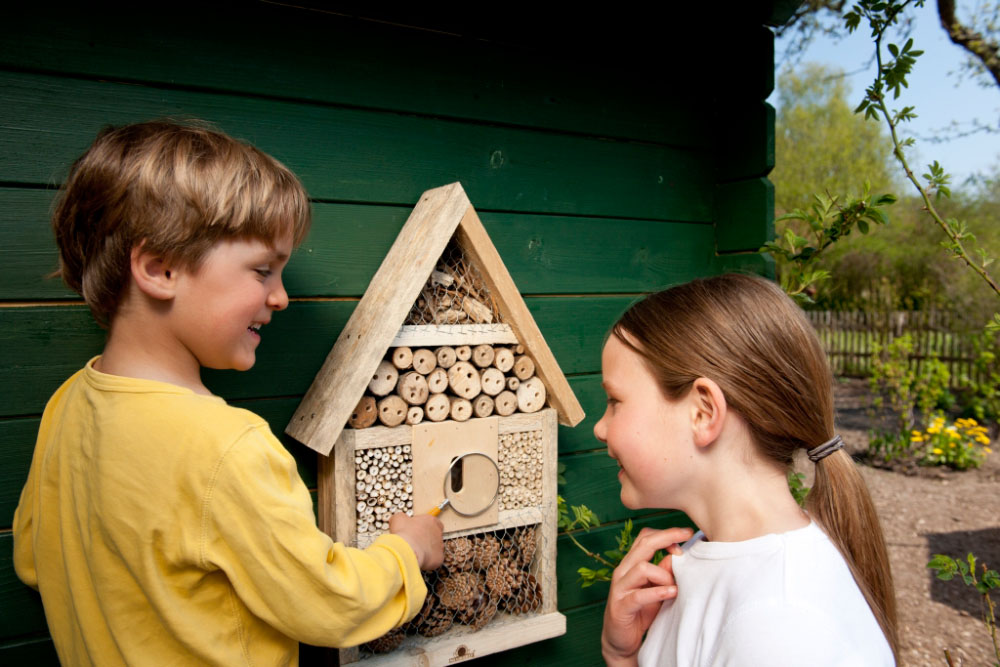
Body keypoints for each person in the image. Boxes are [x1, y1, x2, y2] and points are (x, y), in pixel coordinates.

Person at [12, 120, 444, 666]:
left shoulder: (68, 404)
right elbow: (332, 606)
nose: (281, 297)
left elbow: (34, 558)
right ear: (159, 268)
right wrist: (408, 551)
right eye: (263, 271)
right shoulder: (228, 447)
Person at [597, 274, 897, 666]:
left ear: (703, 412)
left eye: (615, 401)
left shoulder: (781, 627)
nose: (600, 428)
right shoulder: (717, 554)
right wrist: (623, 656)